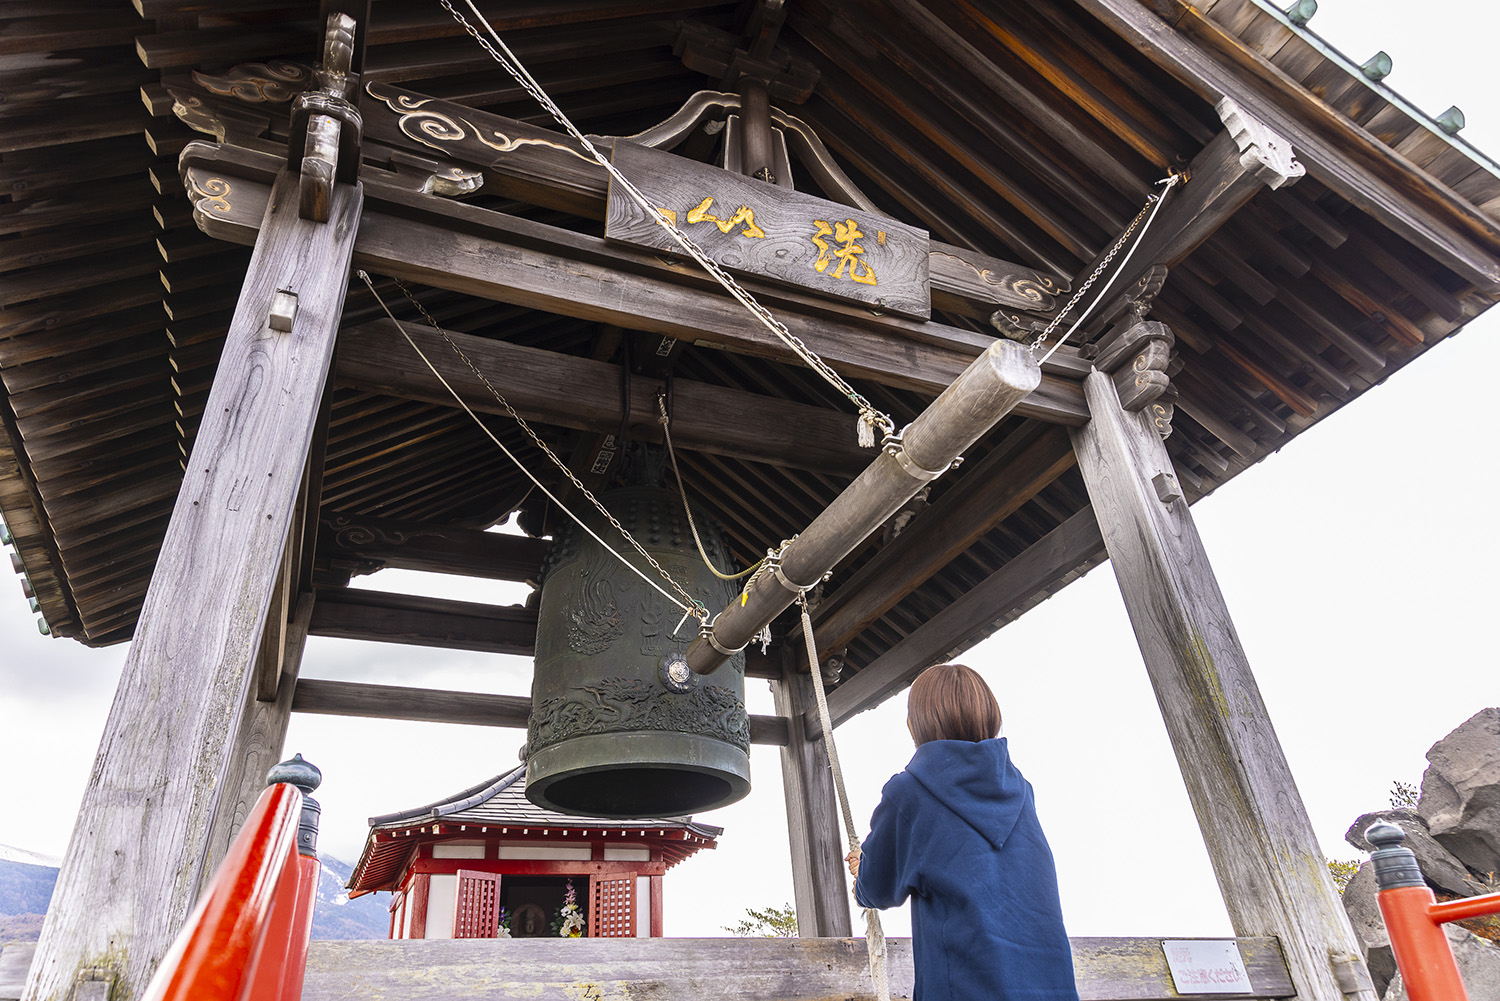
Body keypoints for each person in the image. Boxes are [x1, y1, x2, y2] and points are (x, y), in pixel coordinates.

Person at [846, 663, 1079, 1001]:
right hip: (1052, 989)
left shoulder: (910, 793)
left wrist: (862, 870)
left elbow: (877, 888)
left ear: (917, 723)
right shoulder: (1021, 792)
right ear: (989, 715)